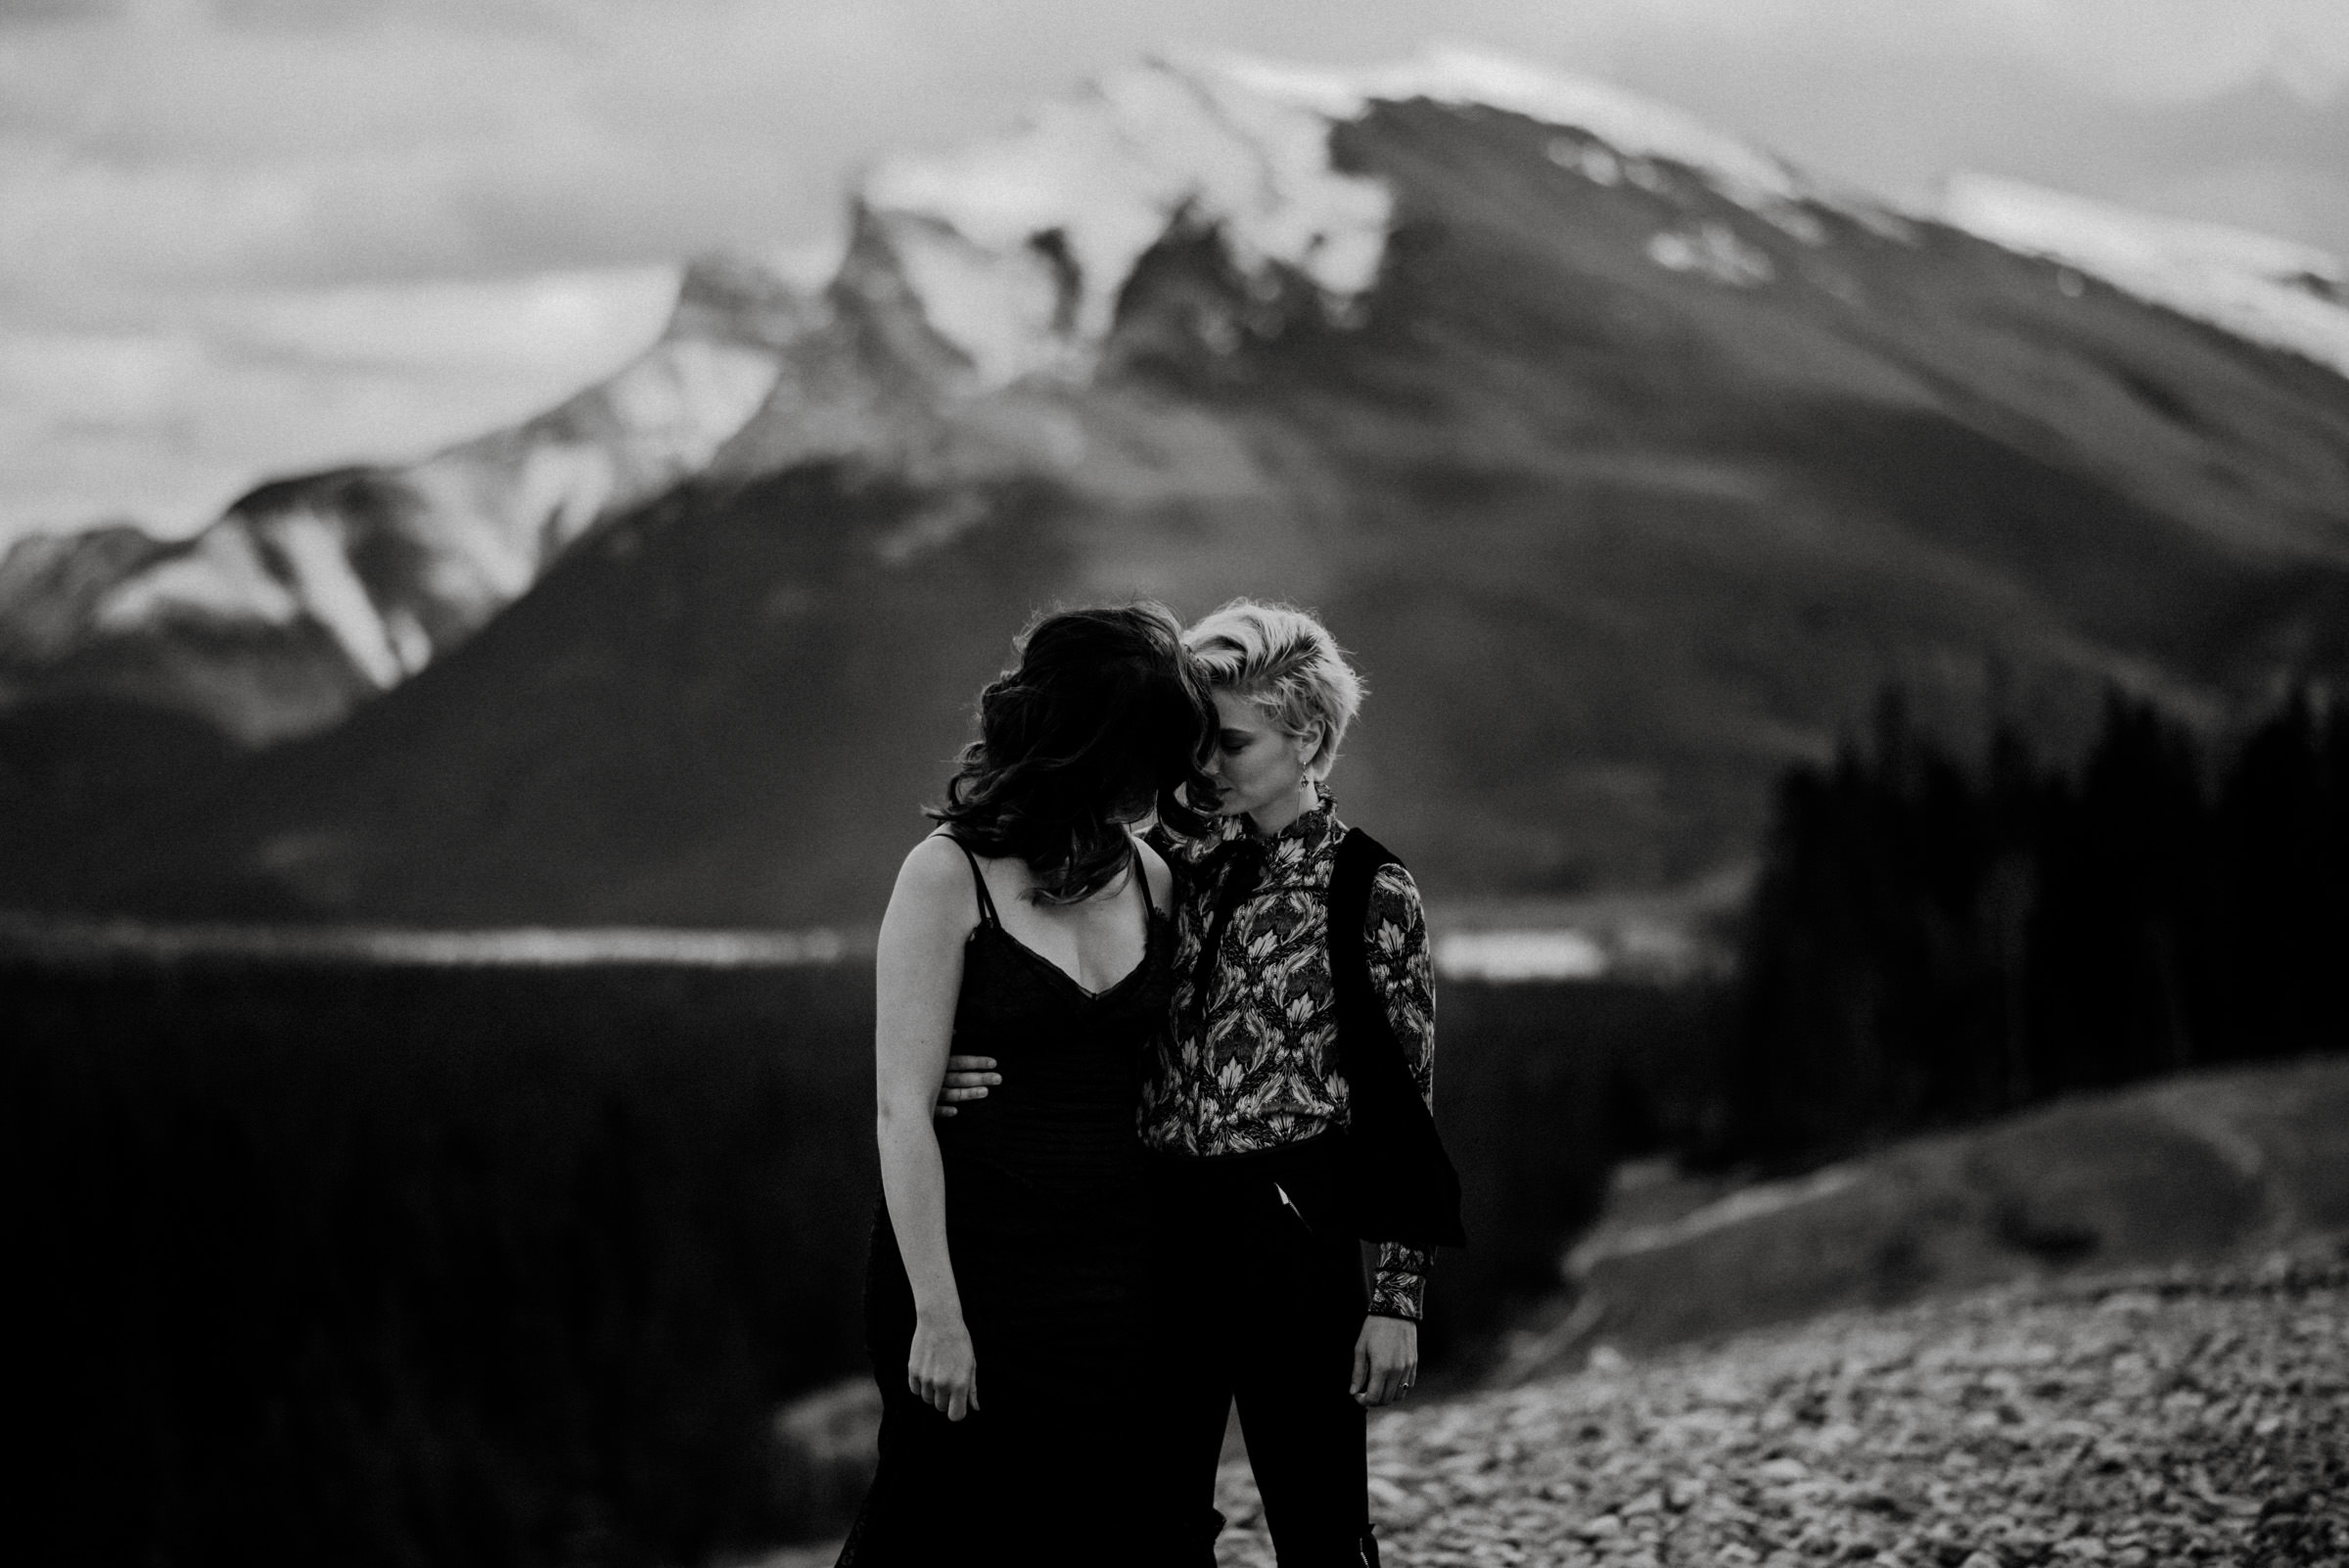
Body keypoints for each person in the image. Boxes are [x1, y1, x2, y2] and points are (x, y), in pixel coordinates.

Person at [940, 600, 1463, 1567]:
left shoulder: (1368, 890)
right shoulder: (1168, 864)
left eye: (1231, 743)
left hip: (1294, 1234)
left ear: (1305, 734)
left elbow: (1403, 1102)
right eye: (1198, 746)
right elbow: (1069, 989)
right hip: (1157, 1232)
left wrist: (1396, 1300)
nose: (1206, 768)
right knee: (1155, 1525)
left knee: (1319, 1524)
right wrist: (962, 1066)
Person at [836, 604, 1215, 1567]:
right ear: (1087, 745)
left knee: (1121, 1529)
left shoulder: (1156, 878)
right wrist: (939, 1315)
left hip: (1121, 1278)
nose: (1161, 783)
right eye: (1146, 755)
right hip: (974, 1271)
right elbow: (902, 1110)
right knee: (949, 1522)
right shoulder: (945, 874)